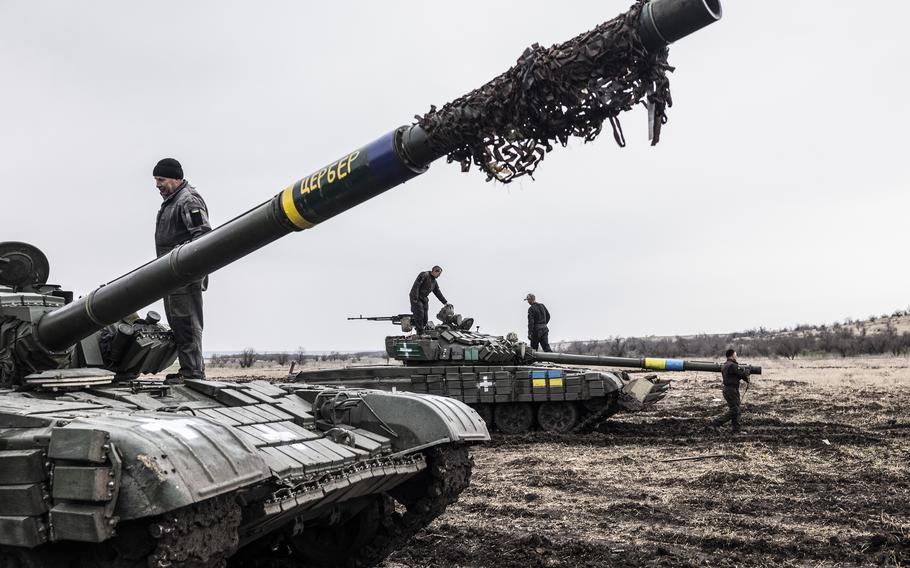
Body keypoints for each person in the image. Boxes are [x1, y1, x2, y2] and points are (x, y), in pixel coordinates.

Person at [153, 158, 212, 383]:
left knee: (187, 324)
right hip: (172, 277)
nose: (157, 184)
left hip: (184, 276)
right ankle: (189, 370)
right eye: (156, 180)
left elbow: (203, 237)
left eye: (161, 179)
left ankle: (193, 373)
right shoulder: (172, 201)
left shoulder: (188, 200)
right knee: (179, 324)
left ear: (176, 178)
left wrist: (182, 261)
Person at [709, 348, 751, 434]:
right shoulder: (733, 365)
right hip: (732, 390)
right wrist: (747, 372)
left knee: (736, 409)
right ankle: (716, 423)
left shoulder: (725, 365)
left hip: (728, 390)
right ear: (732, 355)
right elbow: (742, 375)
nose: (736, 355)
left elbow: (736, 375)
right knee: (735, 410)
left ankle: (736, 430)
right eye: (735, 354)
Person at [409, 266, 448, 333]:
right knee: (420, 314)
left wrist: (445, 302)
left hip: (424, 299)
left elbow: (437, 292)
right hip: (416, 297)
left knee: (425, 318)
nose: (439, 276)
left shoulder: (434, 282)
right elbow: (416, 286)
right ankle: (420, 332)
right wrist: (415, 299)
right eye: (438, 274)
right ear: (435, 271)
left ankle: (422, 329)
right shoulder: (424, 275)